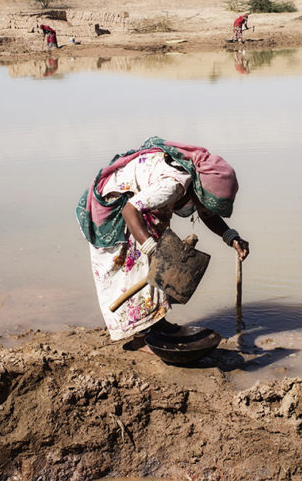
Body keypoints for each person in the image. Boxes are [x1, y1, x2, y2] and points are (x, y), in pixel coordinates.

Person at [76, 137, 250, 352]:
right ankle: (142, 338)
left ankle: (158, 324)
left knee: (157, 259)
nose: (205, 207)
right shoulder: (173, 184)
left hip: (138, 208)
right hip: (119, 210)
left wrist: (231, 237)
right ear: (201, 190)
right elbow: (130, 210)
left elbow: (207, 213)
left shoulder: (196, 180)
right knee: (137, 268)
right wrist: (152, 250)